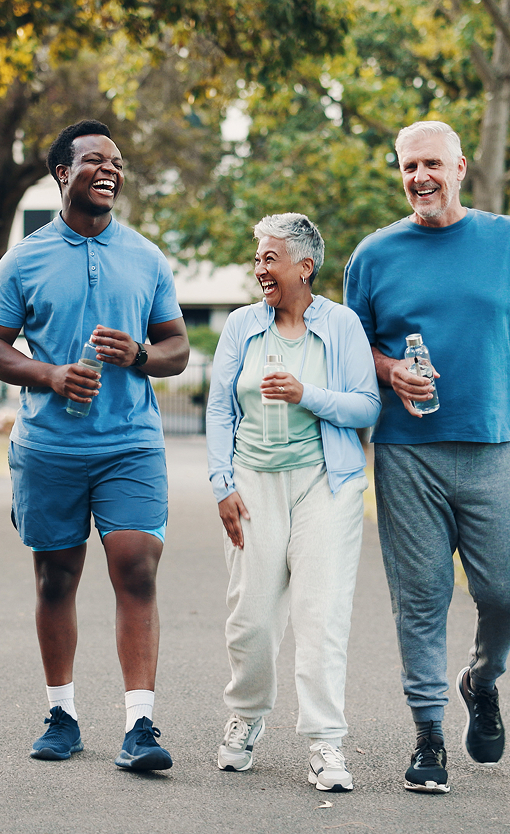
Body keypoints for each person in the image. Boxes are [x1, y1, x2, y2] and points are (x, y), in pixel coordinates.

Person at [343, 121, 510, 793]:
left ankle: (481, 679)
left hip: (491, 449)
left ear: (460, 167)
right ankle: (428, 735)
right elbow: (348, 345)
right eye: (408, 165)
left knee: (505, 595)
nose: (420, 176)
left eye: (431, 164)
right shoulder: (373, 254)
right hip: (406, 454)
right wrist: (391, 370)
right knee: (420, 601)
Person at [0, 119, 190, 770]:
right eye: (95, 159)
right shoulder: (26, 259)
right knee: (55, 579)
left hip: (130, 443)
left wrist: (142, 353)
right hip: (50, 447)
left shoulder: (146, 257)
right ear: (62, 174)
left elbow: (178, 350)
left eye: (117, 162)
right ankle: (62, 713)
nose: (110, 170)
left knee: (136, 568)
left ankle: (141, 726)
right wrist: (49, 374)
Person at [205, 213, 380, 792]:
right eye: (257, 258)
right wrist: (222, 484)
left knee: (320, 615)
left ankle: (325, 743)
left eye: (270, 258)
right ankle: (247, 717)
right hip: (253, 484)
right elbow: (218, 410)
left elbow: (365, 407)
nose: (260, 268)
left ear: (305, 267)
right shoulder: (240, 326)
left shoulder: (343, 325)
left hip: (323, 483)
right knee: (250, 618)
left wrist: (310, 395)